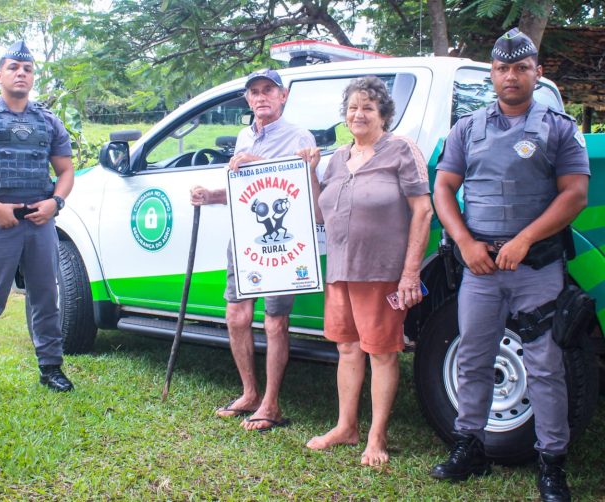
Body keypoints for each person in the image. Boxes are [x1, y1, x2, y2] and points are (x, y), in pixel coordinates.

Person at [430, 28, 589, 502]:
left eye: (521, 68)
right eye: (502, 68)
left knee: (545, 366)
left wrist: (524, 239)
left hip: (536, 268)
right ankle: (469, 447)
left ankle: (552, 464)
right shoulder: (466, 129)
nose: (511, 76)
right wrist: (464, 243)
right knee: (474, 359)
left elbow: (575, 194)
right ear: (492, 75)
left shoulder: (559, 128)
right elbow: (442, 189)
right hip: (479, 268)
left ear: (536, 73)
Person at [296, 76, 433, 465]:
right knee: (347, 348)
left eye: (368, 108)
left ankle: (377, 437)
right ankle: (346, 427)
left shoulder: (401, 150)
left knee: (382, 353)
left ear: (383, 115)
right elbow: (322, 214)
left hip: (381, 272)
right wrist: (312, 171)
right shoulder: (338, 158)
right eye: (353, 107)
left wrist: (410, 274)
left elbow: (422, 210)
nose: (359, 114)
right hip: (341, 270)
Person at [190, 69, 316, 432]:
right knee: (237, 316)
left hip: (283, 244)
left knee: (275, 322)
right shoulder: (246, 135)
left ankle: (271, 404)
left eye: (268, 90)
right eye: (254, 92)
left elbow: (295, 187)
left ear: (283, 96)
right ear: (247, 100)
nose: (261, 97)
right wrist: (210, 196)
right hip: (244, 238)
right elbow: (246, 191)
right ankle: (248, 393)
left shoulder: (299, 136)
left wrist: (254, 164)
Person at [0, 41, 76, 400]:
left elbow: (65, 171)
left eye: (28, 69)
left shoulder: (48, 121)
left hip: (40, 224)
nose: (21, 74)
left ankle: (51, 369)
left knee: (45, 298)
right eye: (13, 68)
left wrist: (56, 202)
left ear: (33, 77)